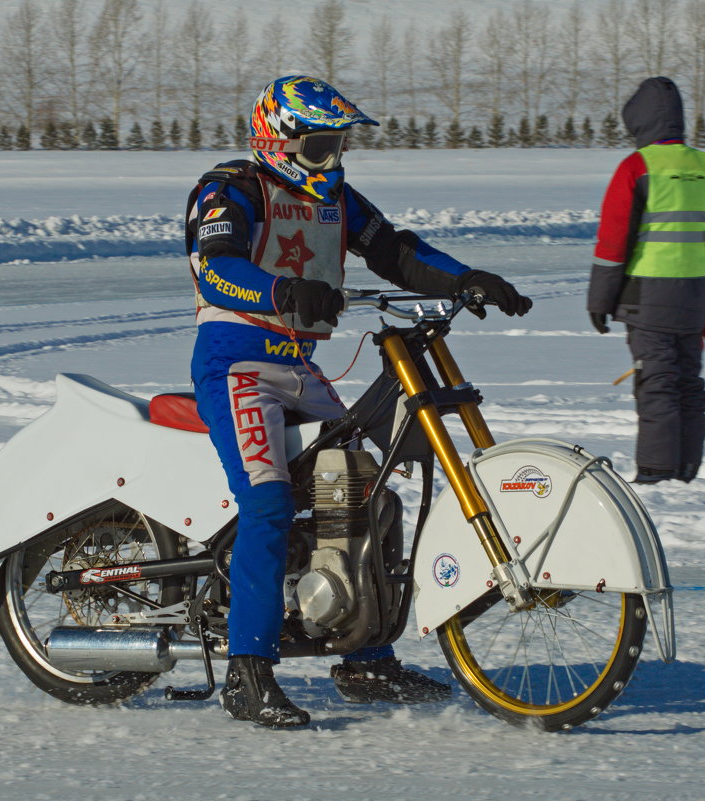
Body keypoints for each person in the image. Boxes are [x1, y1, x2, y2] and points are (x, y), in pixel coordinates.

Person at [186, 75, 532, 727]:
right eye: (321, 147)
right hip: (237, 366)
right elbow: (217, 265)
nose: (334, 161)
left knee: (368, 493)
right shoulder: (230, 188)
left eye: (340, 146)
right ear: (279, 141)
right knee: (269, 504)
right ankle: (247, 673)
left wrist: (466, 280)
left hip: (299, 367)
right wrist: (282, 292)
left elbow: (394, 250)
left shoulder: (337, 199)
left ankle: (367, 659)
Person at [587, 77, 705, 484]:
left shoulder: (637, 167)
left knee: (657, 385)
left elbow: (613, 242)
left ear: (639, 122)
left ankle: (657, 473)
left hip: (646, 300)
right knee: (687, 383)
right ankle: (684, 468)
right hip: (692, 300)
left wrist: (599, 301)